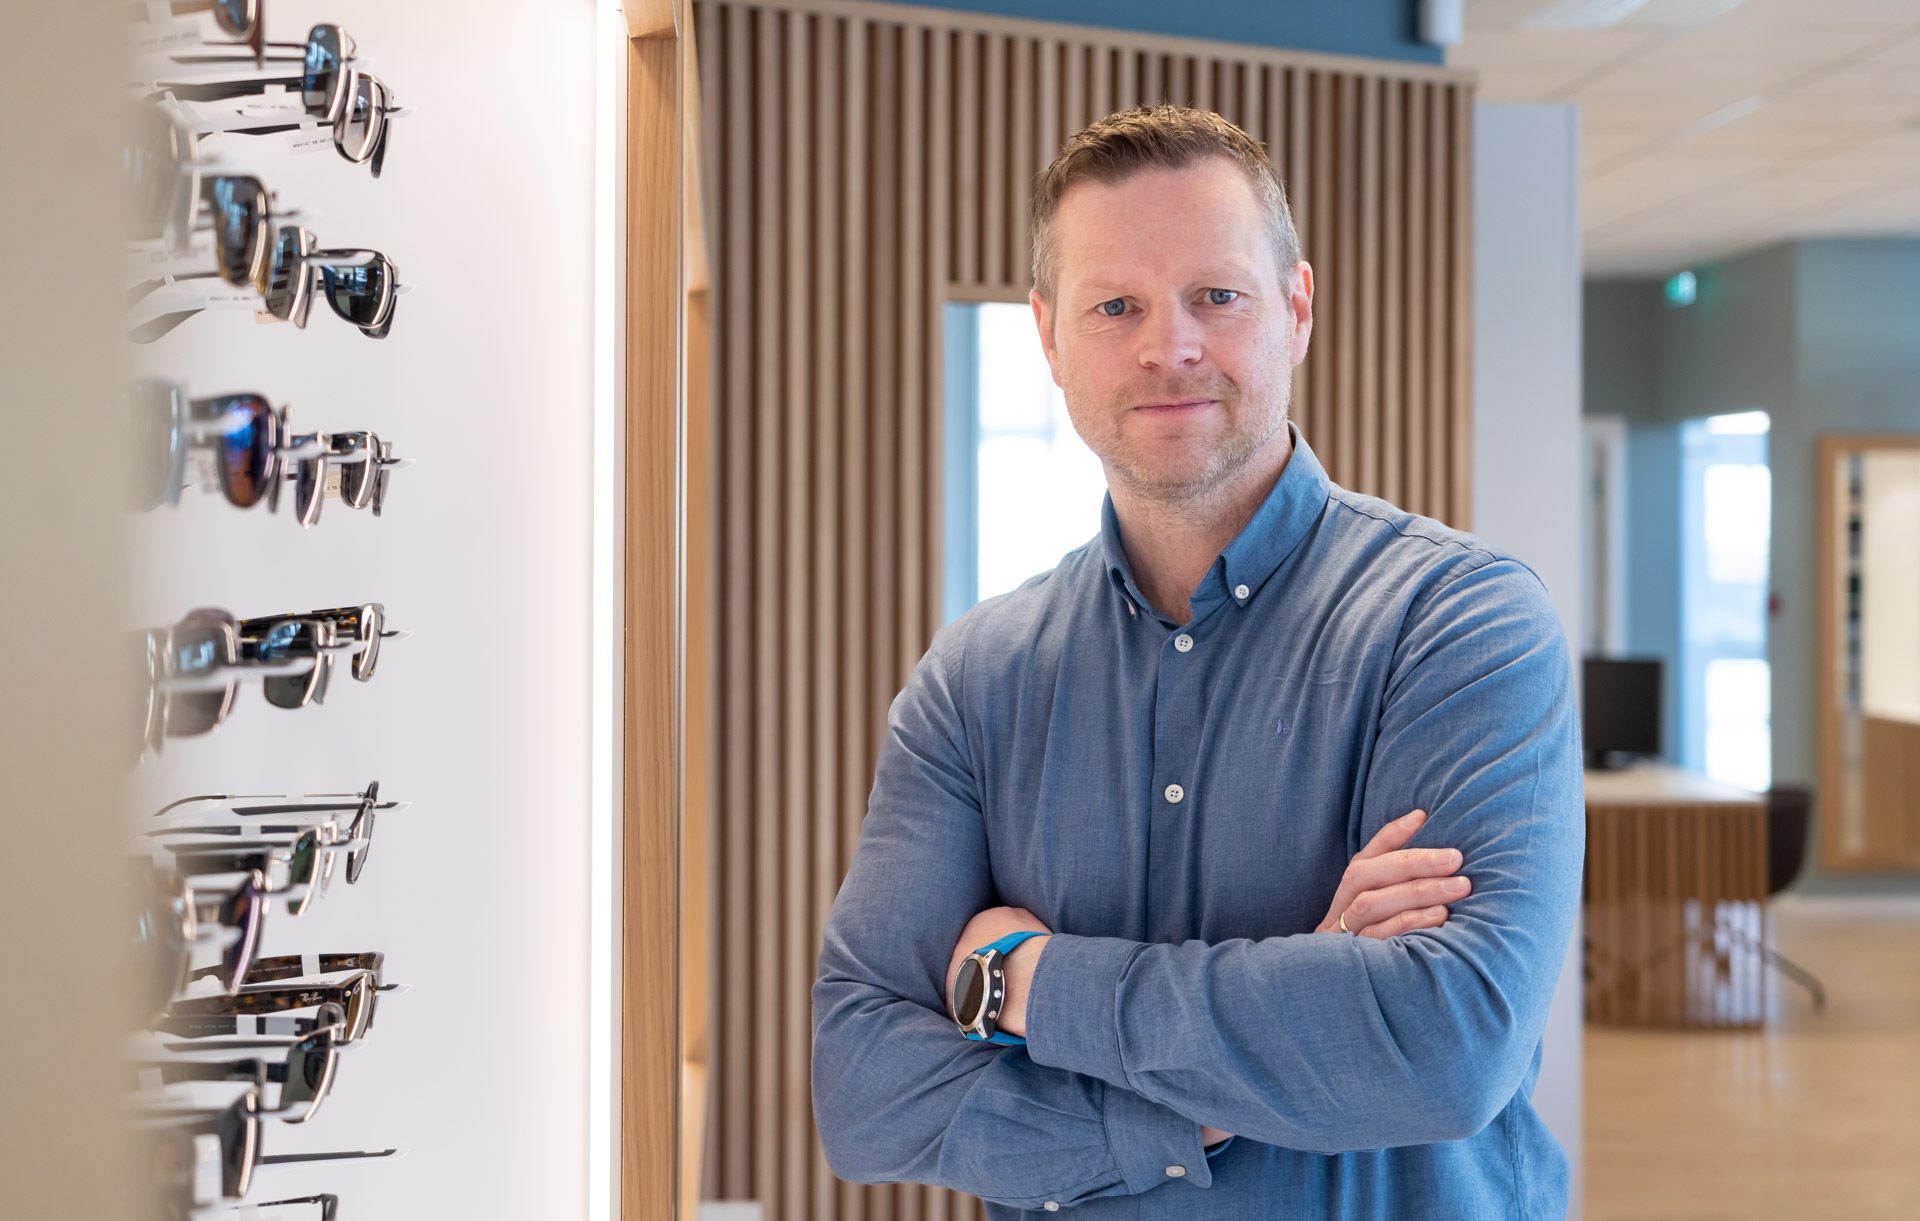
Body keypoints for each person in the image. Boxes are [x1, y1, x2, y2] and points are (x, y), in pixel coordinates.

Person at [812, 105, 1583, 1219]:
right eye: (1115, 305)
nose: (1168, 346)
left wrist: (1023, 979)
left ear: (1297, 310)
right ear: (1048, 338)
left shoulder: (1460, 624)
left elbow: (1447, 1047)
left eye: (1216, 296)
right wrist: (1213, 1092)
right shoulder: (976, 682)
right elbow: (865, 1089)